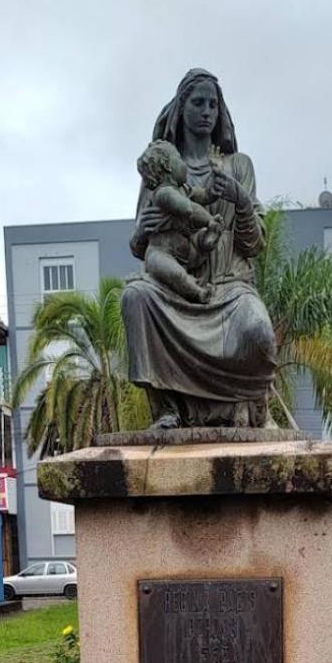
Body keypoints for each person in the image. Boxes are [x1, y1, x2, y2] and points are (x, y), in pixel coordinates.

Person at [121, 68, 278, 430]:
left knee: (259, 332)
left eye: (213, 104)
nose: (207, 111)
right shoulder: (162, 167)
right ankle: (167, 409)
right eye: (198, 102)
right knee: (135, 297)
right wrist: (141, 231)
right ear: (181, 108)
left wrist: (239, 199)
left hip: (230, 287)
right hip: (176, 288)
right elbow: (141, 247)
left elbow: (254, 244)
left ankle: (254, 405)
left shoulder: (239, 166)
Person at [135, 138, 222, 305]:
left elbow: (206, 195)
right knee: (175, 274)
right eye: (179, 159)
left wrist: (216, 174)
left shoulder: (184, 189)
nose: (184, 164)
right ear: (168, 166)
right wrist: (209, 221)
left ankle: (206, 241)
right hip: (161, 253)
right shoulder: (164, 194)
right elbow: (188, 209)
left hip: (187, 250)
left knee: (200, 238)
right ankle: (198, 292)